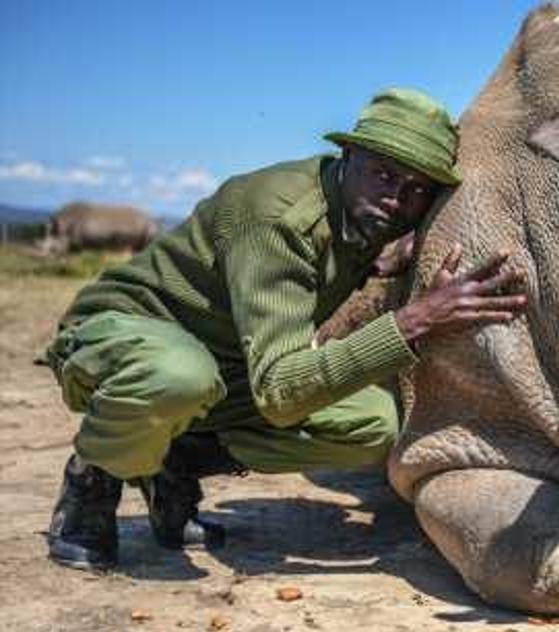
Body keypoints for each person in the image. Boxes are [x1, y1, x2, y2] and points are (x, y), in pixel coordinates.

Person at [43, 87, 527, 570]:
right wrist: (416, 320)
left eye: (418, 189)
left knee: (374, 423)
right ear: (348, 154)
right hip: (121, 339)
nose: (397, 199)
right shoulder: (279, 218)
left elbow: (316, 278)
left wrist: (382, 262)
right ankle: (91, 483)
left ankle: (173, 462)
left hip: (225, 369)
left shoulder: (360, 220)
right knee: (179, 376)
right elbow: (280, 391)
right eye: (384, 174)